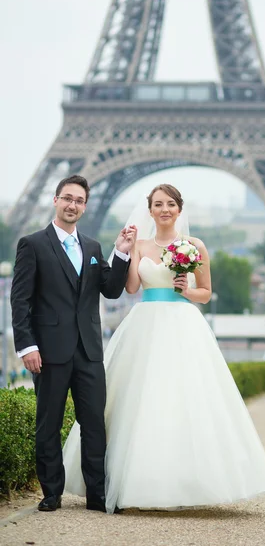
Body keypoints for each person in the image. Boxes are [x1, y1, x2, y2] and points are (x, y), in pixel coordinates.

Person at [63, 184, 265, 513]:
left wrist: (186, 290)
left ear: (180, 209)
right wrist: (127, 250)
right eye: (158, 204)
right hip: (146, 322)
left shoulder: (195, 246)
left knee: (183, 398)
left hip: (182, 323)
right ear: (149, 210)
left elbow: (205, 292)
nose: (165, 209)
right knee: (140, 398)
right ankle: (137, 482)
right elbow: (132, 287)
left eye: (171, 204)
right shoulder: (142, 245)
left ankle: (182, 483)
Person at [10, 175, 135, 513]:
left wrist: (121, 254)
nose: (73, 205)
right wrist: (26, 346)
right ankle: (52, 493)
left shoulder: (93, 248)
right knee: (48, 423)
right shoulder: (32, 244)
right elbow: (20, 301)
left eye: (79, 201)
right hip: (48, 352)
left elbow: (110, 289)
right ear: (55, 200)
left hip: (89, 351)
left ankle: (97, 494)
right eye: (67, 198)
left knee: (94, 423)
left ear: (85, 206)